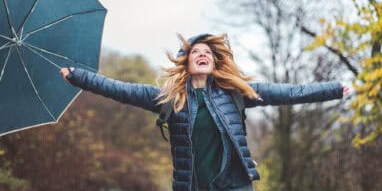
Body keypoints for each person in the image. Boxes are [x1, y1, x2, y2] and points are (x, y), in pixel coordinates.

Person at [60, 33, 349, 191]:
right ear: (186, 63)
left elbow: (288, 93)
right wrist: (77, 76)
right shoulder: (168, 99)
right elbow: (118, 89)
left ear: (214, 62)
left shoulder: (235, 93)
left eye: (208, 52)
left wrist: (333, 89)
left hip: (235, 185)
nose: (202, 54)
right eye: (196, 51)